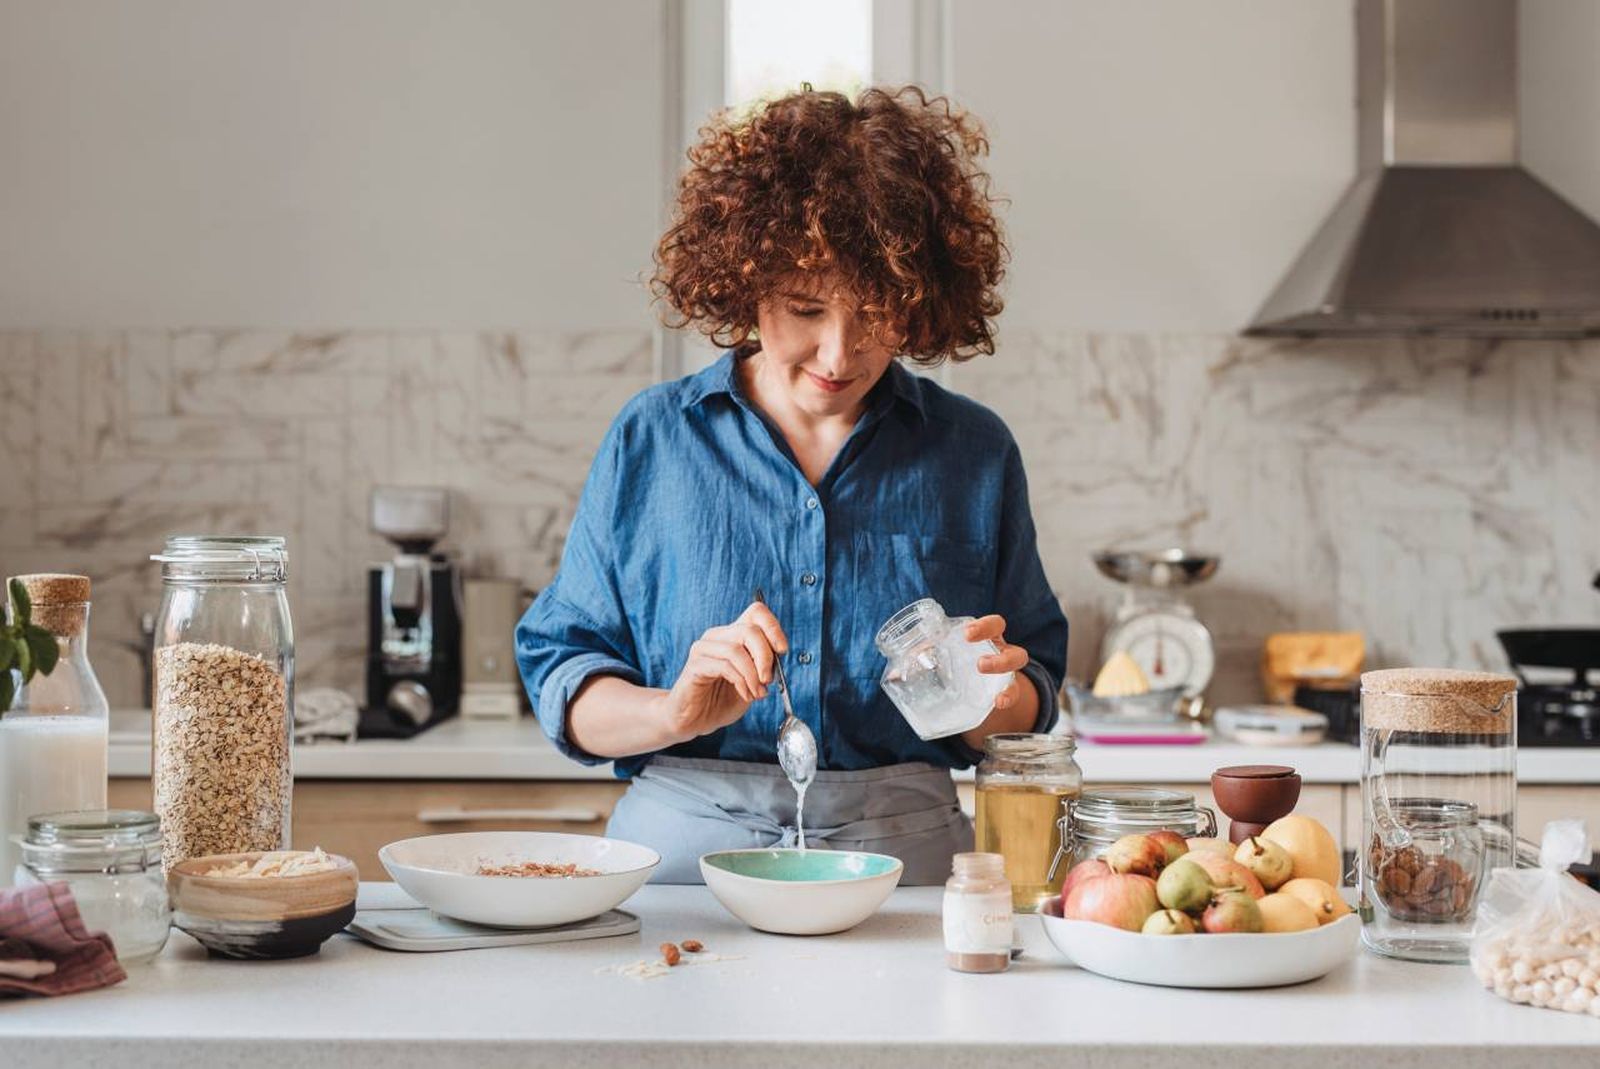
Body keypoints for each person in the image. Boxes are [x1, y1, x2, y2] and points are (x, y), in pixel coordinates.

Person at [516, 86, 1067, 884]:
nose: (839, 354)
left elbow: (1032, 697)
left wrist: (996, 699)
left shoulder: (973, 451)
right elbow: (565, 674)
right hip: (682, 853)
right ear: (745, 284)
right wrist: (671, 709)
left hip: (905, 851)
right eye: (806, 308)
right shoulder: (654, 439)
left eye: (875, 312)